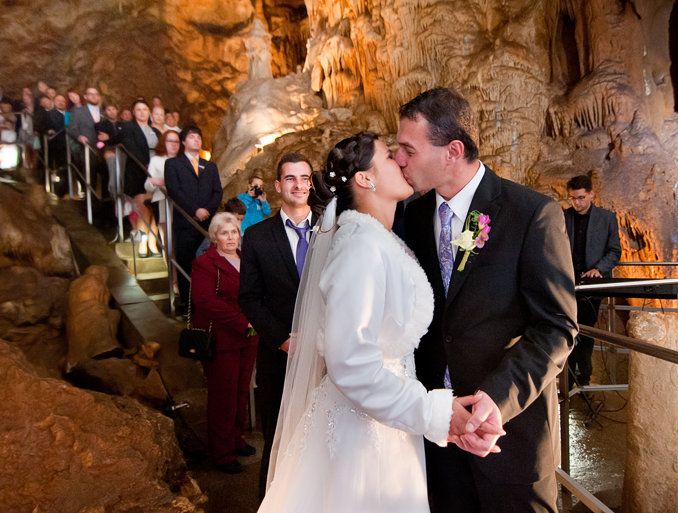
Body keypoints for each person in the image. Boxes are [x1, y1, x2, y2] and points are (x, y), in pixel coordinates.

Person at [257, 133, 481, 513]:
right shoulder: (359, 247)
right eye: (390, 156)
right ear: (365, 178)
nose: (402, 161)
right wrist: (432, 412)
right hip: (362, 430)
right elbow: (350, 362)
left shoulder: (379, 239)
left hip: (388, 419)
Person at [396, 87, 577, 513]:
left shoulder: (531, 213)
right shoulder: (413, 217)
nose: (398, 159)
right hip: (439, 435)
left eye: (408, 149)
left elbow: (556, 326)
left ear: (452, 151)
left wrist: (496, 399)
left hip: (508, 433)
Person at [239, 153, 314, 498]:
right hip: (278, 359)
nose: (298, 185)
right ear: (277, 185)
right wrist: (282, 340)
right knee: (278, 440)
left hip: (328, 359)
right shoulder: (257, 236)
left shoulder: (333, 231)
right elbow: (249, 298)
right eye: (290, 178)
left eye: (304, 178)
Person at [191, 212, 259, 474]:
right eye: (224, 233)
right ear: (215, 237)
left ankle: (236, 440)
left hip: (248, 338)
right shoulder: (204, 263)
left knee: (241, 393)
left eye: (234, 232)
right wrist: (244, 321)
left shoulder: (246, 259)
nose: (230, 237)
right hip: (222, 339)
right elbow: (205, 300)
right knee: (223, 397)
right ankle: (221, 452)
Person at [564, 174, 621, 387]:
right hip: (567, 284)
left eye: (581, 198)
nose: (576, 203)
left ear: (591, 194)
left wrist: (599, 269)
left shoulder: (607, 218)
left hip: (592, 286)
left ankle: (584, 380)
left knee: (586, 332)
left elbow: (614, 251)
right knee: (566, 331)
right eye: (572, 198)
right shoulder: (563, 216)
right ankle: (567, 381)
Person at [164, 126, 222, 310]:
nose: (197, 139)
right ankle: (187, 303)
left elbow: (217, 192)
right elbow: (174, 191)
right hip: (185, 222)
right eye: (192, 137)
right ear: (183, 141)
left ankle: (206, 301)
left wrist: (207, 210)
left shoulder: (210, 166)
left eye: (199, 137)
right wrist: (194, 210)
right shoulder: (173, 164)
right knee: (185, 261)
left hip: (207, 223)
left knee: (209, 264)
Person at [120, 98, 159, 257]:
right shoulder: (129, 128)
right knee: (143, 208)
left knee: (156, 208)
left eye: (145, 109)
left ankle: (152, 242)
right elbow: (131, 149)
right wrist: (147, 165)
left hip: (156, 172)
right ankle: (143, 244)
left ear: (149, 112)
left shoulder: (155, 130)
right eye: (138, 109)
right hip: (138, 171)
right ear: (134, 112)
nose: (142, 112)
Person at [145, 129, 181, 258]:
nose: (173, 144)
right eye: (170, 141)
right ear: (163, 142)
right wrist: (155, 181)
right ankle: (172, 270)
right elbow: (147, 185)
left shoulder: (183, 160)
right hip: (162, 201)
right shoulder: (156, 160)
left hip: (181, 203)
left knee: (180, 241)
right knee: (168, 240)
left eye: (176, 141)